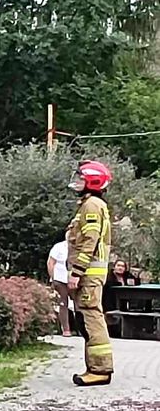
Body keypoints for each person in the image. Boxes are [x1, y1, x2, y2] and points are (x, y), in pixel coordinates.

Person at [66, 160, 114, 387]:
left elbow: (89, 241)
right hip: (89, 273)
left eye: (81, 179)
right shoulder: (90, 204)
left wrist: (76, 272)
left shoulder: (92, 206)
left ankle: (100, 369)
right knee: (86, 318)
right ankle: (94, 367)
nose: (77, 183)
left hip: (89, 274)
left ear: (92, 182)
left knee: (91, 318)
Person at [47, 237, 73, 337]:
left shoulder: (79, 246)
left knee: (80, 303)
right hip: (60, 278)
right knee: (63, 303)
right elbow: (51, 263)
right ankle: (66, 329)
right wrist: (53, 278)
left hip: (75, 278)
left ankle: (82, 328)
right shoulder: (59, 247)